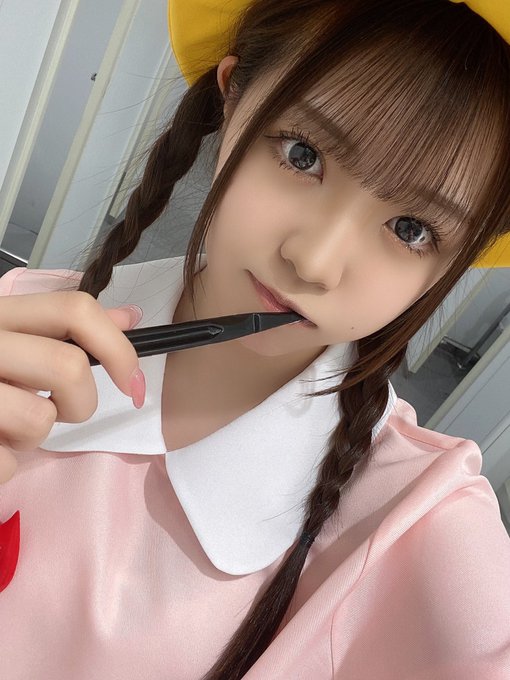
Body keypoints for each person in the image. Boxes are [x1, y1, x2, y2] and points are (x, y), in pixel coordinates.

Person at [0, 0, 509, 677]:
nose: (315, 262)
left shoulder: (416, 518)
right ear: (233, 96)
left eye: (411, 230)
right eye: (304, 155)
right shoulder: (19, 313)